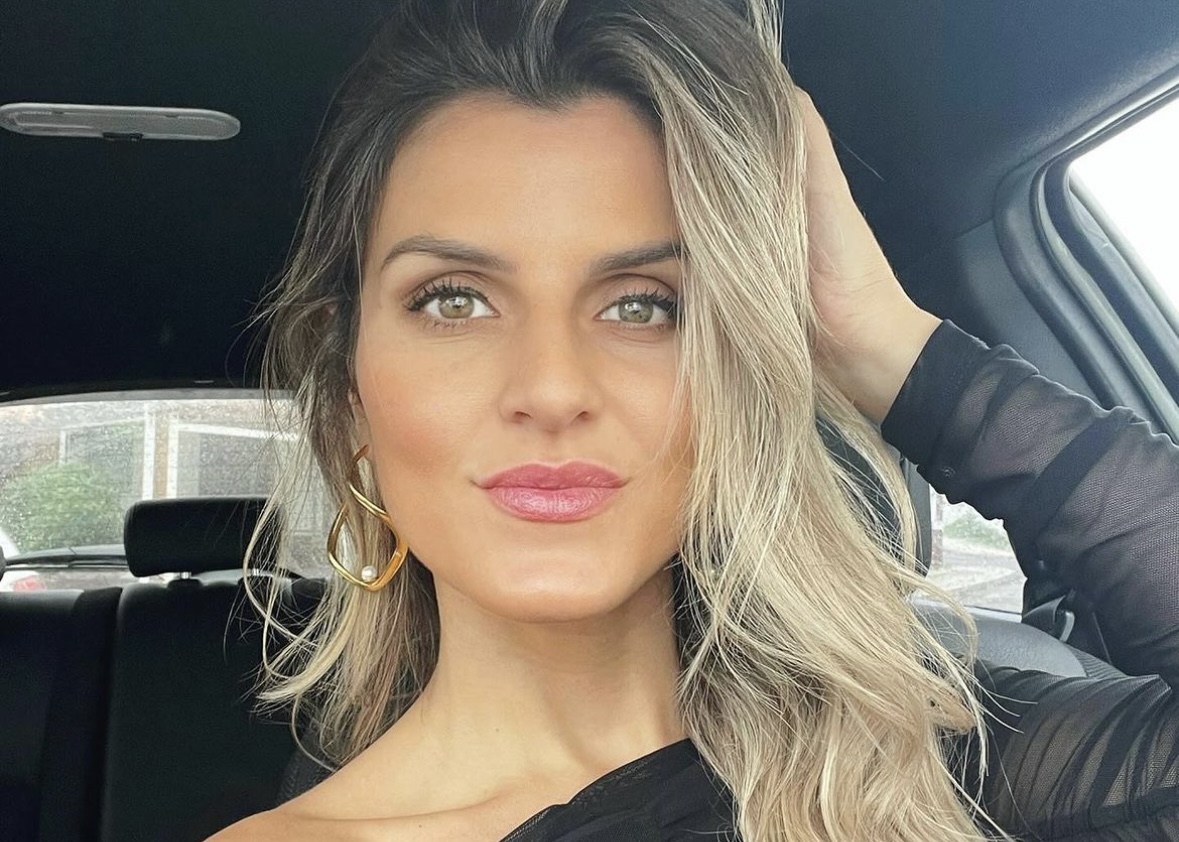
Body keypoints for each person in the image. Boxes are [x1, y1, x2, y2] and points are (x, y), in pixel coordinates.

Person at [208, 1, 1179, 839]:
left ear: (734, 379)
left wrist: (885, 347)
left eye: (644, 305)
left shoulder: (938, 773)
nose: (552, 387)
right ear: (349, 394)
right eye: (454, 300)